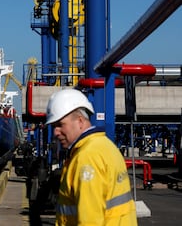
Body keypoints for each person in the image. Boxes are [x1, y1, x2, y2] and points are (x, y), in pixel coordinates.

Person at [45, 88, 137, 225]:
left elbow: (90, 220)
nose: (56, 132)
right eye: (53, 127)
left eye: (60, 125)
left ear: (80, 121)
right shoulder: (106, 146)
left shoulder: (86, 158)